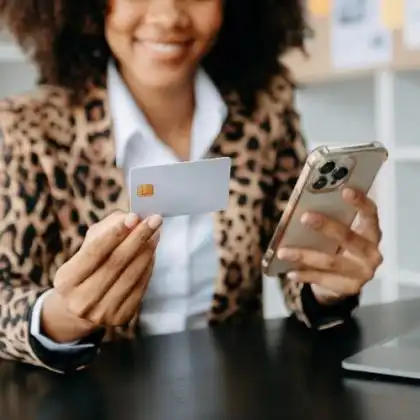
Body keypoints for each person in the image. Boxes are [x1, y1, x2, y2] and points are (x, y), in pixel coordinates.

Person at [0, 0, 383, 374]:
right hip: (87, 397)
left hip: (233, 390)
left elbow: (292, 259)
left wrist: (327, 288)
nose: (168, 16)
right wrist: (62, 316)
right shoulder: (26, 129)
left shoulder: (263, 108)